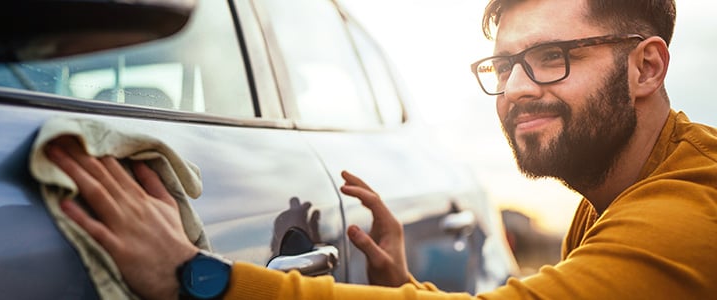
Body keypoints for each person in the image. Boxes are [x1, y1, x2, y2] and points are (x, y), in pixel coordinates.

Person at [44, 0, 717, 298]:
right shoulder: (619, 190)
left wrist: (200, 277)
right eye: (504, 65)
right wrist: (408, 288)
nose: (514, 91)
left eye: (551, 57)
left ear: (648, 68)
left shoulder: (689, 216)